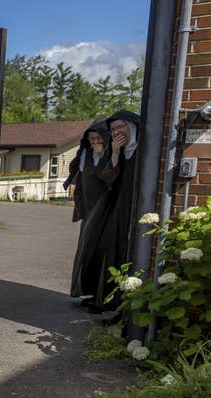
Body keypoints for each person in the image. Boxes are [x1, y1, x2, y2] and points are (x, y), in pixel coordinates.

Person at [93, 109, 141, 312]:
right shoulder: (121, 153)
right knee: (112, 250)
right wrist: (113, 153)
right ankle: (112, 302)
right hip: (119, 208)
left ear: (131, 126)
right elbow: (107, 178)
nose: (115, 133)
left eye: (120, 127)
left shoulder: (143, 150)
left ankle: (127, 307)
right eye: (112, 129)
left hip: (136, 210)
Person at [64, 120, 110, 309]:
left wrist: (102, 154)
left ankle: (101, 298)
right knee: (85, 250)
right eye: (92, 138)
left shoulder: (108, 156)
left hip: (104, 209)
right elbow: (80, 179)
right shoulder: (85, 154)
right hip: (89, 210)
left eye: (99, 138)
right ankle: (88, 292)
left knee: (99, 251)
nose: (94, 142)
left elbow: (107, 178)